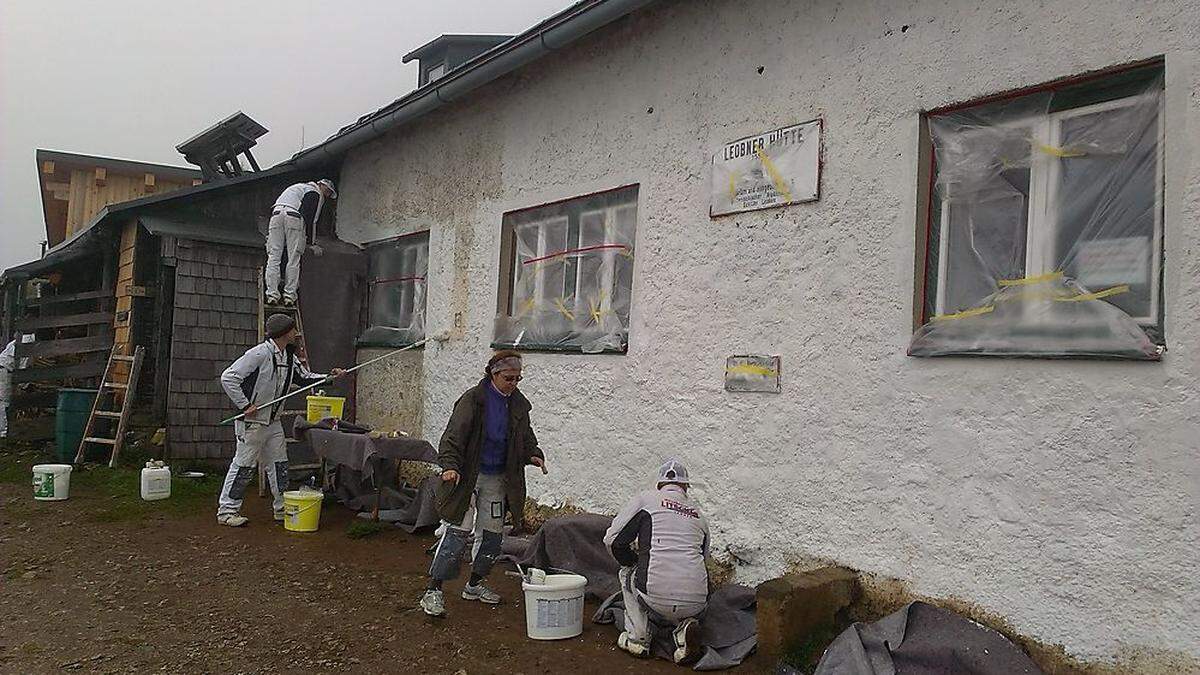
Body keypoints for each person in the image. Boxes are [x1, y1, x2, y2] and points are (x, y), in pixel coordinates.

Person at [420, 350, 548, 617]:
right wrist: (450, 466)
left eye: (517, 379)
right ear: (494, 373)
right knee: (457, 532)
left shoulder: (519, 405)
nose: (513, 383)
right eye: (509, 378)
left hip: (498, 477)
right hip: (467, 476)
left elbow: (525, 437)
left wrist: (534, 453)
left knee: (491, 536)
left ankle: (475, 584)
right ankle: (434, 590)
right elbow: (453, 436)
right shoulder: (473, 400)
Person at [216, 313, 345, 527]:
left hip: (273, 421)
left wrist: (330, 377)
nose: (297, 334)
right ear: (285, 333)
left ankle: (282, 508)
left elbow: (304, 378)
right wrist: (245, 405)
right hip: (253, 422)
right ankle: (227, 511)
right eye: (294, 330)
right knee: (243, 466)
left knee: (279, 465)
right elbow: (228, 377)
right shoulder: (258, 354)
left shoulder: (288, 356)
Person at [604, 460, 709, 665]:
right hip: (697, 600)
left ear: (659, 484)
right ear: (685, 487)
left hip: (654, 594)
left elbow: (613, 540)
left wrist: (632, 562)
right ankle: (684, 629)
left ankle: (638, 638)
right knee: (687, 581)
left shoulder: (647, 500)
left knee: (626, 573)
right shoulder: (699, 515)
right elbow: (703, 560)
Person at [265, 178, 337, 306]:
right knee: (294, 258)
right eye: (327, 192)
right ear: (321, 185)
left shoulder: (297, 187)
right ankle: (289, 295)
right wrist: (311, 242)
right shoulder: (314, 193)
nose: (326, 195)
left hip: (275, 215)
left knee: (274, 257)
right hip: (294, 216)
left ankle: (272, 294)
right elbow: (311, 219)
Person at [0, 333, 16, 439]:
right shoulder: (27, 343)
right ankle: (3, 431)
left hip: (4, 368)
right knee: (3, 401)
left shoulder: (16, 341)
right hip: (5, 370)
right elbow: (22, 366)